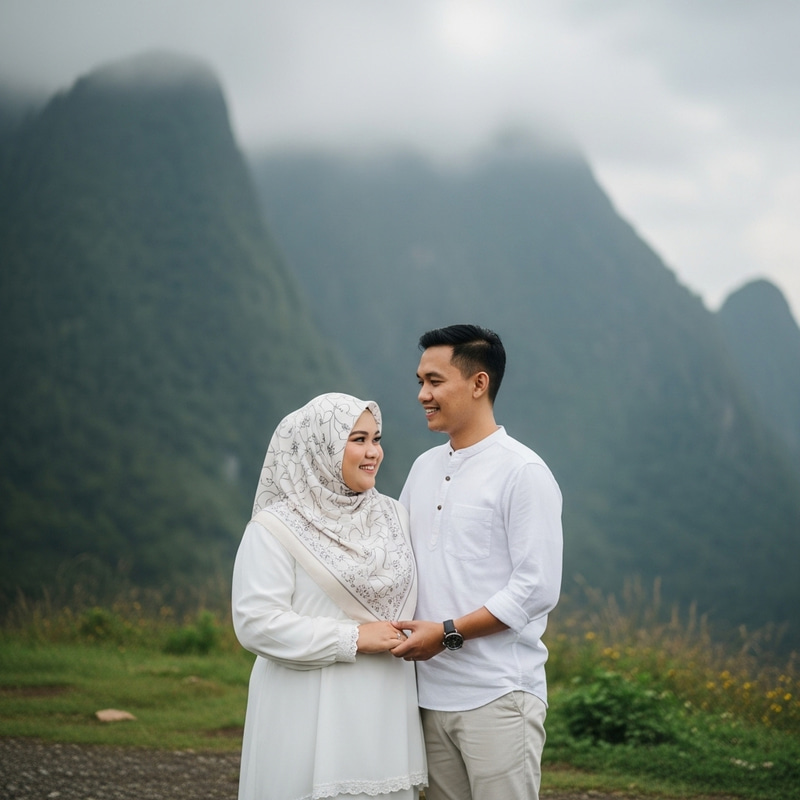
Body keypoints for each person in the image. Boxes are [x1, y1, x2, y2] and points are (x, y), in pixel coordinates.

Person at [392, 325, 563, 800]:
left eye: (434, 381)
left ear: (478, 383)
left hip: (500, 696)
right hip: (426, 696)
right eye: (420, 382)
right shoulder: (424, 467)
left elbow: (537, 588)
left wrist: (447, 633)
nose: (423, 394)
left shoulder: (523, 472)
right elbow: (395, 555)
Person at [232, 392, 428, 800]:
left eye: (376, 438)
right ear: (318, 448)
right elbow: (256, 623)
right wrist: (354, 638)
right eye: (357, 440)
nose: (373, 452)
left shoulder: (396, 515)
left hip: (384, 707)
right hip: (305, 711)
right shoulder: (274, 528)